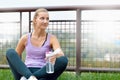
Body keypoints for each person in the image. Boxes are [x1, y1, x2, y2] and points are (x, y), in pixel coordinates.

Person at [6, 8, 68, 80]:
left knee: (64, 60)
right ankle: (30, 77)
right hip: (26, 71)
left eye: (47, 19)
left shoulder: (52, 38)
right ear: (35, 20)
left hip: (43, 72)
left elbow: (60, 53)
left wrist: (54, 54)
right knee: (10, 52)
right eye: (42, 18)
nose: (45, 21)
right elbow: (16, 58)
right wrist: (26, 73)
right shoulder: (25, 38)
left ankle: (33, 77)